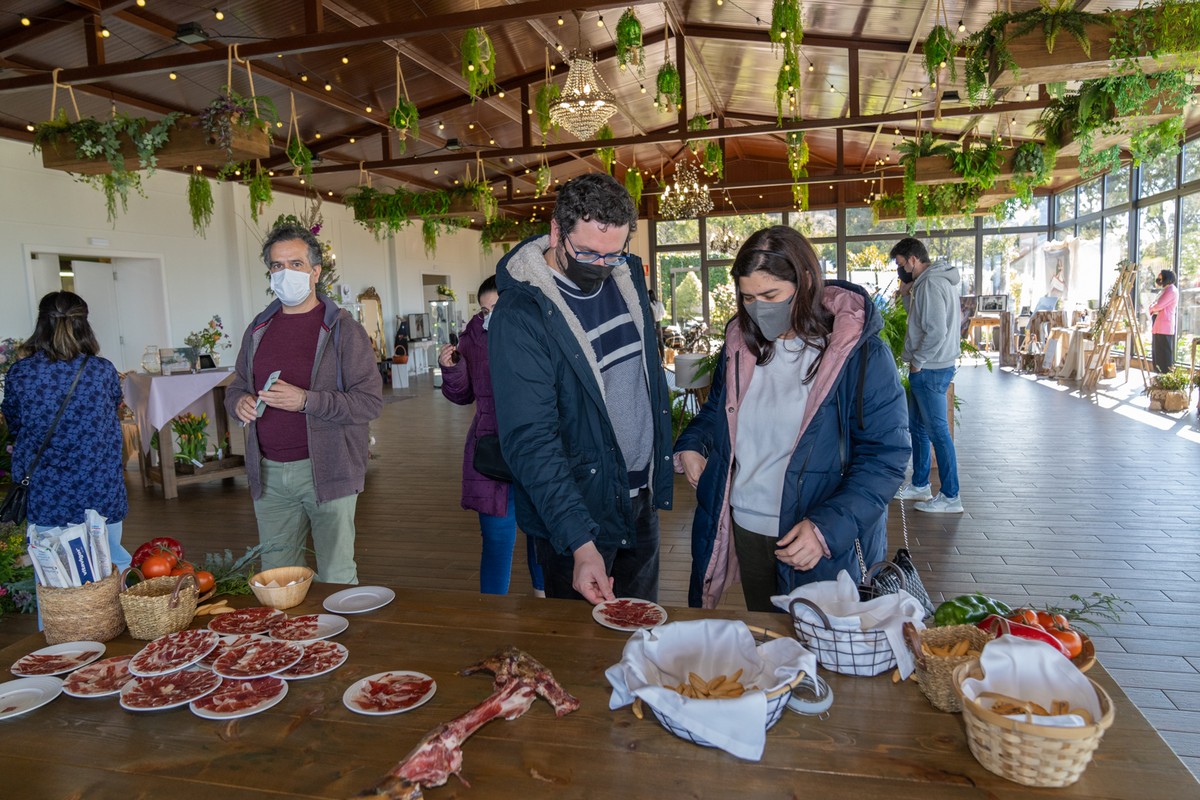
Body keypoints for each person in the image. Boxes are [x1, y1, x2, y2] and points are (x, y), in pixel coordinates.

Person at [674, 226, 909, 611]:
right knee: (770, 648)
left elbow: (886, 457)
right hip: (748, 526)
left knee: (830, 656)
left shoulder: (859, 353)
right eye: (748, 297)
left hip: (821, 538)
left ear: (806, 282)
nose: (758, 307)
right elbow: (718, 412)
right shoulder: (739, 346)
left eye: (770, 295)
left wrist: (824, 530)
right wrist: (692, 444)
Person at [489, 173, 673, 605]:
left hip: (639, 501)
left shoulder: (625, 277)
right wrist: (579, 541)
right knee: (581, 651)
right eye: (588, 252)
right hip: (577, 515)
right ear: (556, 231)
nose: (601, 266)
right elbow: (530, 440)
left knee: (642, 633)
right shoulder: (521, 315)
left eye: (613, 254)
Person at [226, 223, 383, 584]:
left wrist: (305, 401)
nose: (285, 274)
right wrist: (239, 403)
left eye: (295, 264)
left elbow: (369, 402)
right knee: (279, 579)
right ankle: (290, 642)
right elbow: (237, 386)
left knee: (336, 575)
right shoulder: (258, 329)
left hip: (328, 468)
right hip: (269, 473)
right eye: (277, 266)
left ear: (315, 272)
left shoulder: (343, 330)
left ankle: (341, 641)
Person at [2, 291, 131, 573]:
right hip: (100, 490)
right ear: (84, 324)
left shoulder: (21, 373)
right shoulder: (103, 371)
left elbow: (14, 424)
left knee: (53, 581)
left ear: (41, 324)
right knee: (109, 568)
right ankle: (111, 618)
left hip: (46, 493)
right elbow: (111, 411)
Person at [439, 275, 545, 597]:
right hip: (489, 449)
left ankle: (546, 599)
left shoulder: (539, 331)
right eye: (484, 310)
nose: (489, 316)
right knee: (497, 539)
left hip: (537, 446)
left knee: (543, 534)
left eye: (496, 307)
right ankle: (492, 613)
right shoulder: (471, 337)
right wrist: (452, 369)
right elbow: (462, 395)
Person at [890, 237, 964, 514]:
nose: (900, 271)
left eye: (901, 264)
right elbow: (919, 321)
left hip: (931, 368)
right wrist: (907, 295)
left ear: (913, 259)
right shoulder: (925, 284)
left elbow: (936, 331)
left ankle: (951, 496)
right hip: (929, 367)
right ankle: (920, 484)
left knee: (938, 434)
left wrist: (918, 361)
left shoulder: (931, 283)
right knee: (918, 428)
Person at [1148, 269, 1178, 374]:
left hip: (1164, 326)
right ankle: (1159, 375)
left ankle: (1165, 377)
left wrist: (1152, 308)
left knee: (1164, 353)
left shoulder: (1171, 290)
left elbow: (1158, 305)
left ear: (1166, 278)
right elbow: (1155, 304)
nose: (1158, 279)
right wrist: (1153, 307)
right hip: (1159, 325)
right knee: (1157, 352)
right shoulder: (1165, 290)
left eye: (1160, 277)